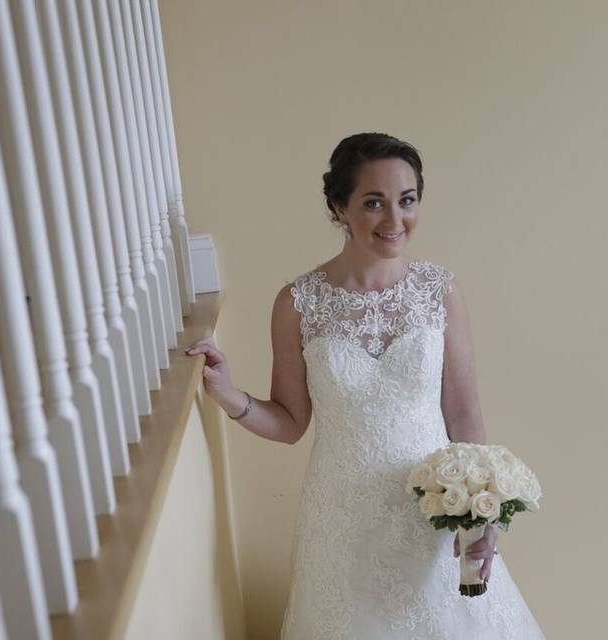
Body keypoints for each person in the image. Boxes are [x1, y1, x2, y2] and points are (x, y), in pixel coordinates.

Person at [186, 132, 545, 639]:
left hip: (432, 515)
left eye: (408, 200)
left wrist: (477, 515)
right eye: (374, 203)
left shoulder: (440, 292)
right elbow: (291, 422)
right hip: (342, 521)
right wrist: (228, 395)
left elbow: (463, 415)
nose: (394, 220)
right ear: (340, 206)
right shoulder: (297, 303)